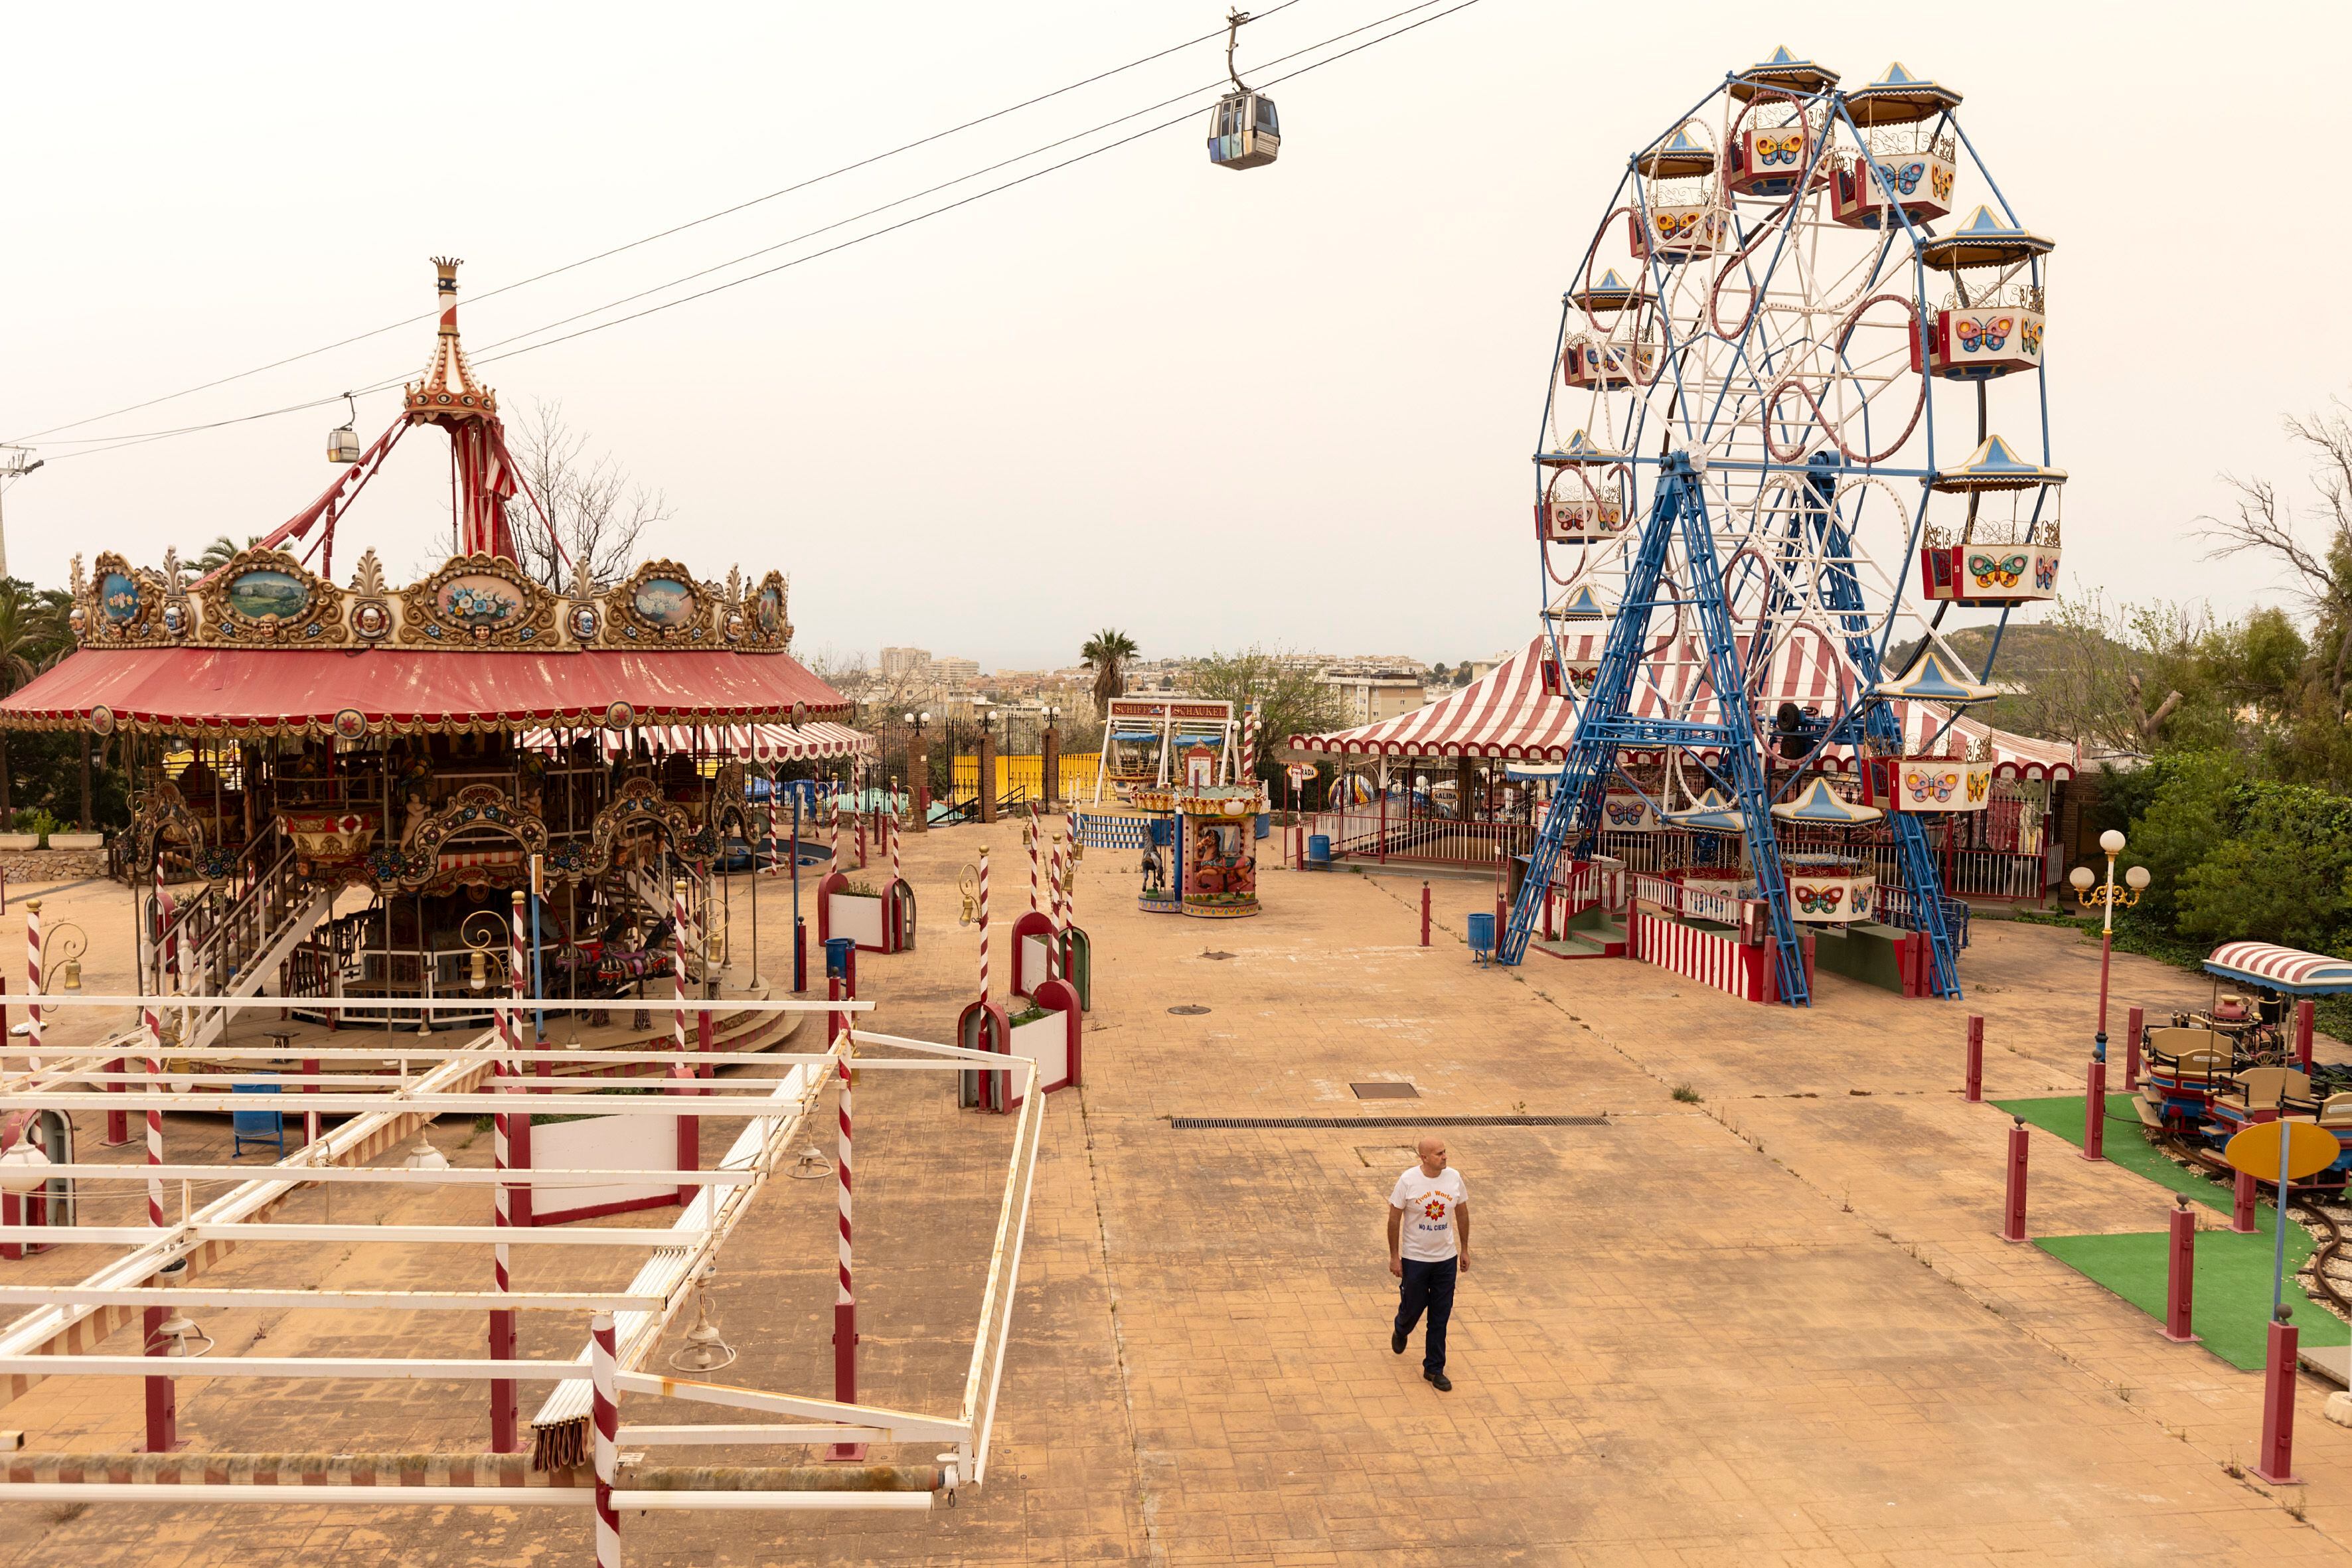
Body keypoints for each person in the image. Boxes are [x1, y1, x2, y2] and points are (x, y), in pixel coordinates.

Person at [1386, 1135, 1470, 1391]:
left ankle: (1434, 1368)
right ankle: (1402, 1328)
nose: (1445, 1157)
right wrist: (1394, 1256)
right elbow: (1394, 1219)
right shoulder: (1408, 1181)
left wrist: (1464, 1249)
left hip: (1445, 1259)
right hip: (1416, 1259)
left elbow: (1462, 1213)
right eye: (1438, 1153)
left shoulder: (1454, 1178)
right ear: (1424, 1158)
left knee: (1440, 1316)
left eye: (1445, 1152)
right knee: (1413, 1308)